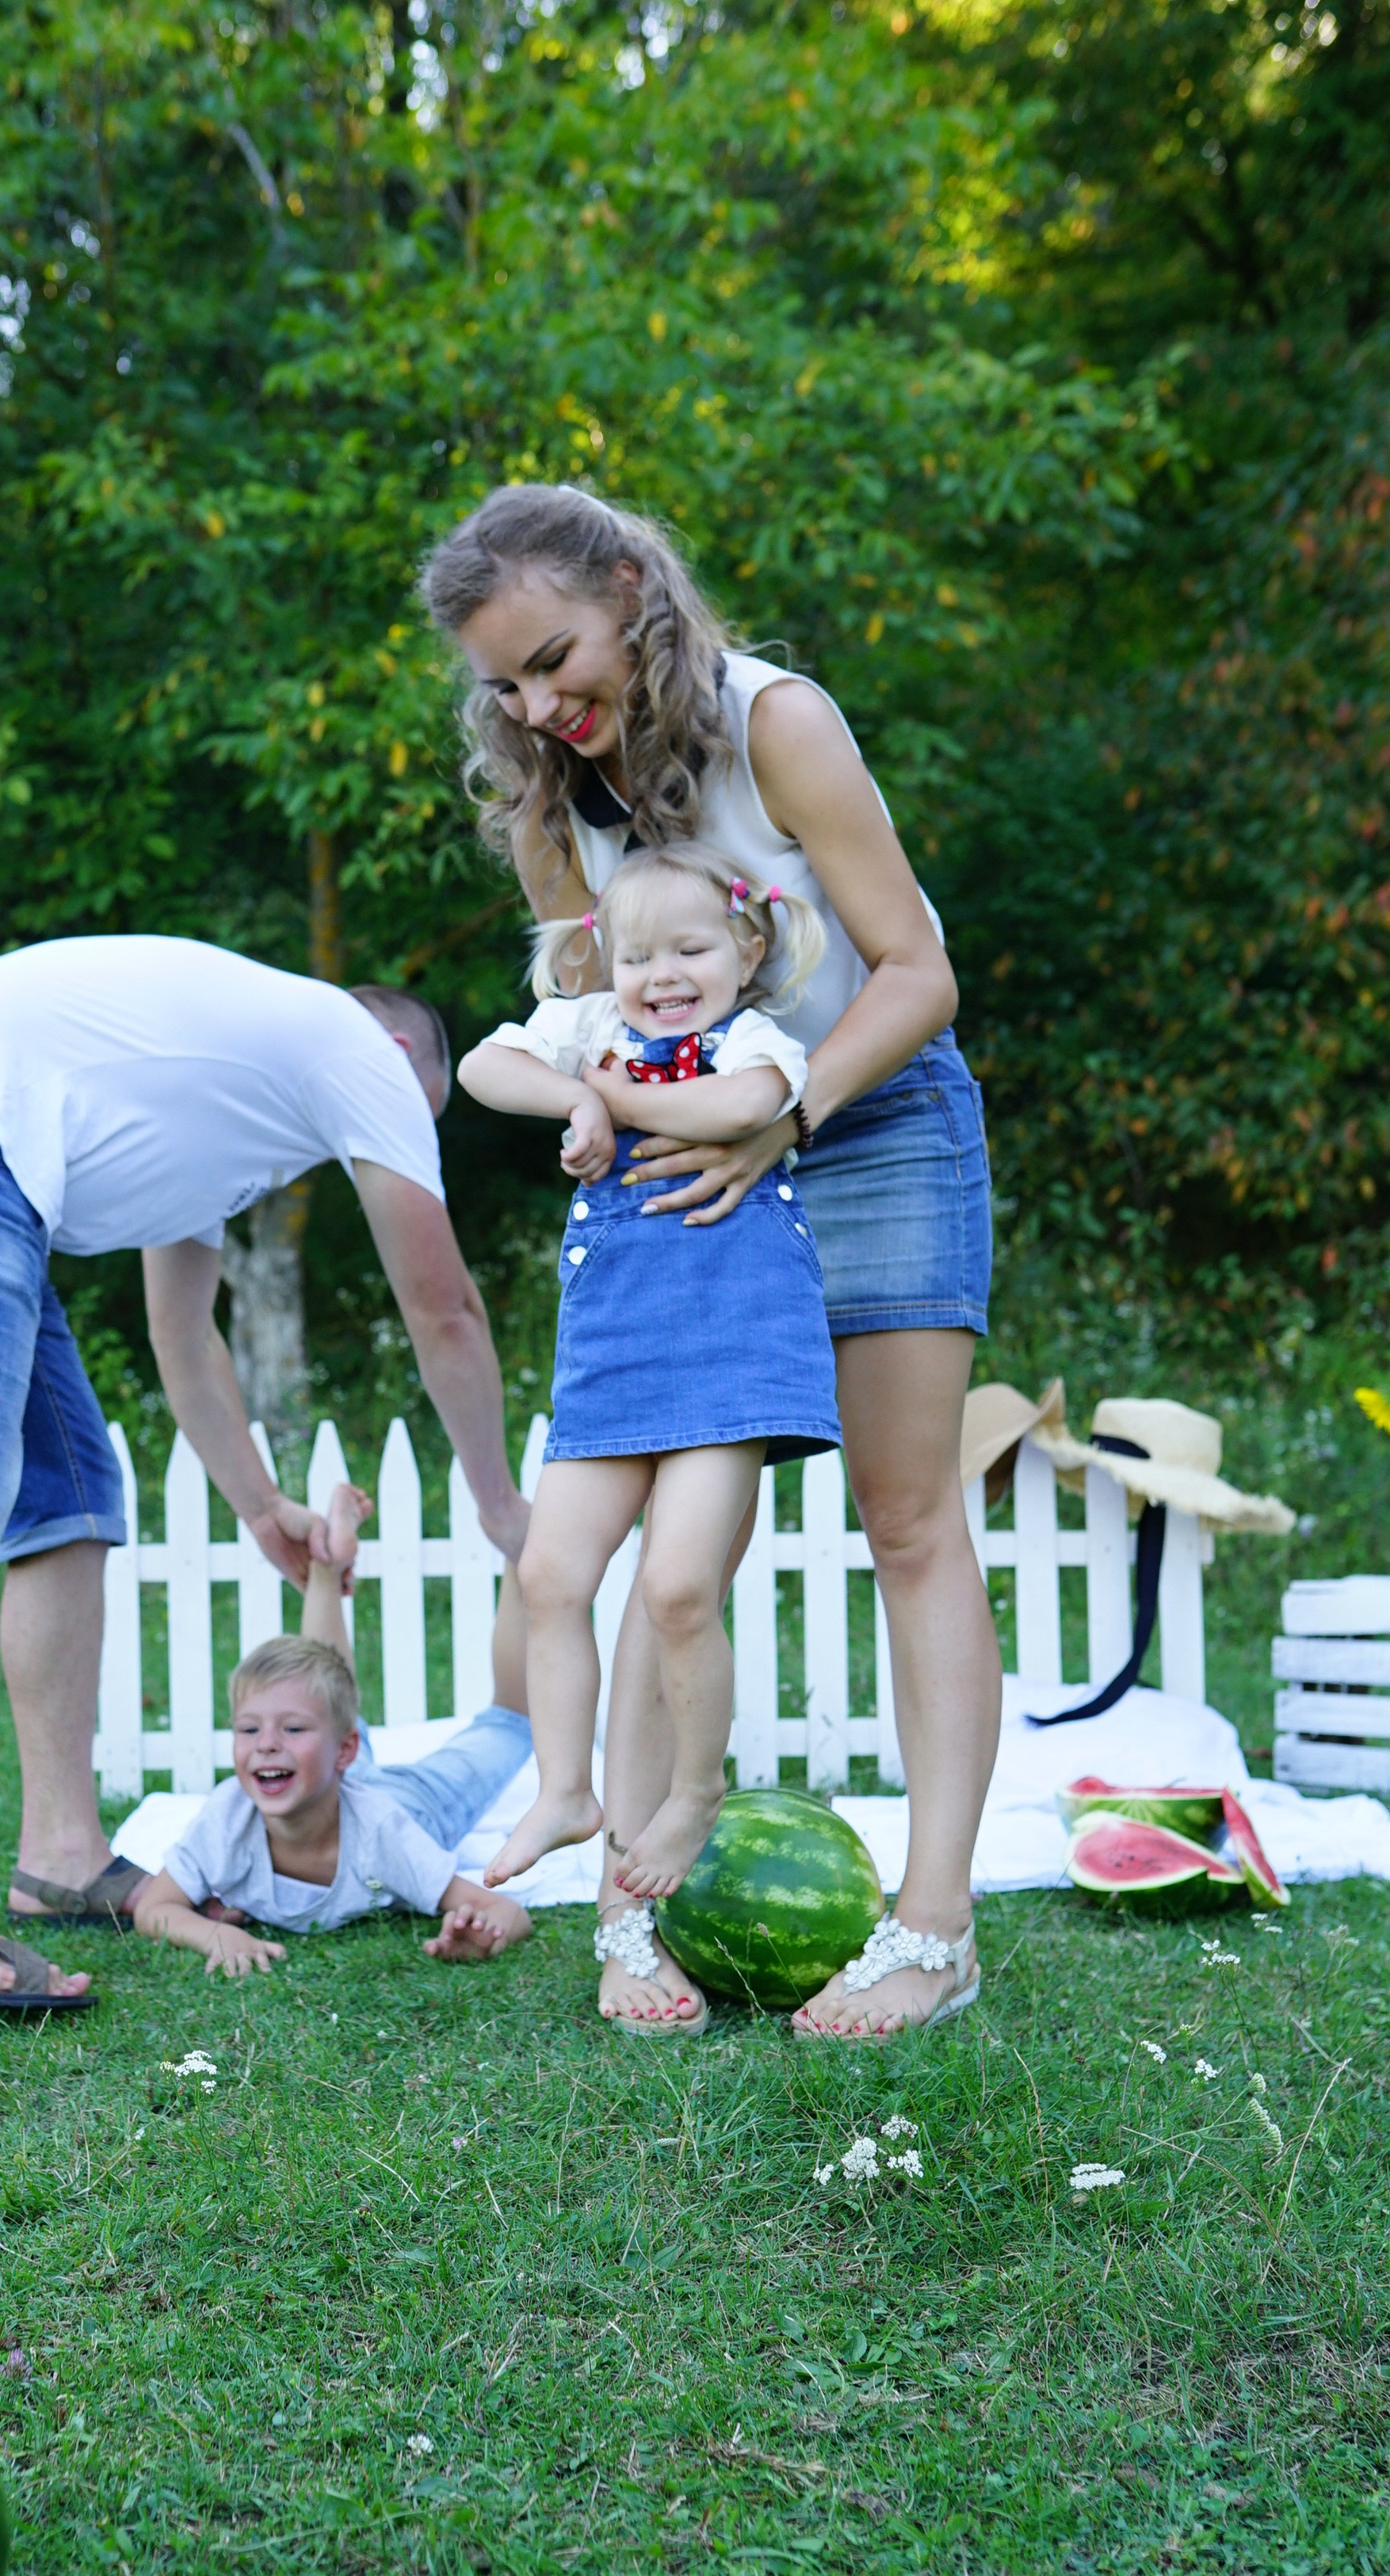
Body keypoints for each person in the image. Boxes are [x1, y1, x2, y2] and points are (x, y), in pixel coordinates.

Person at [421, 484, 996, 2041]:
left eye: (554, 658)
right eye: (506, 686)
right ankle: (634, 1918)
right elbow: (580, 1033)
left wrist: (784, 1110)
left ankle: (930, 1931)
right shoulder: (555, 802)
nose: (540, 705)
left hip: (867, 1118)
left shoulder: (777, 724)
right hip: (677, 1160)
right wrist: (607, 1124)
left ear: (628, 590)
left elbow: (916, 972)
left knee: (908, 1518)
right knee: (655, 1538)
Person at [0, 936, 529, 2013]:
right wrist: (502, 1503)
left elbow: (184, 1341)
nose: (398, 1144)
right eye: (413, 1114)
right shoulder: (349, 1047)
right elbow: (445, 1309)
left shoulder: (220, 1124)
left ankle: (63, 1855)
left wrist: (259, 1506)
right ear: (395, 1055)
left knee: (74, 1496)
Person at [456, 838, 839, 2028]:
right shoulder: (586, 1030)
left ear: (748, 950)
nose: (664, 975)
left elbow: (739, 1108)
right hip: (616, 1356)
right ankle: (568, 1788)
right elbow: (480, 1067)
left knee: (678, 1590)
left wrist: (603, 1093)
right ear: (601, 964)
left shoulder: (763, 1043)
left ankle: (694, 1790)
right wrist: (570, 1087)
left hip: (734, 1351)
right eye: (637, 956)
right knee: (551, 1572)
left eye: (691, 948)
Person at [128, 1486, 535, 1975]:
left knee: (511, 1724)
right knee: (316, 1700)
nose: (267, 1744)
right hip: (327, 1779)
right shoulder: (228, 1819)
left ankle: (520, 1552)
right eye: (249, 1729)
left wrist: (485, 1935)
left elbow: (507, 1911)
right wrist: (216, 1934)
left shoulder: (387, 1833)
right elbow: (154, 1908)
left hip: (409, 1802)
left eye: (289, 1729)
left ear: (346, 1753)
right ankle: (327, 1563)